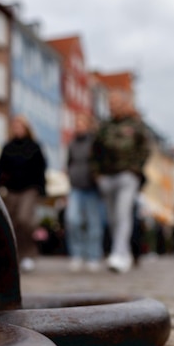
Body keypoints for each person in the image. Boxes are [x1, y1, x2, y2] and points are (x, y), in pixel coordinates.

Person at [91, 98, 151, 274]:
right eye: (111, 105)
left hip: (127, 174)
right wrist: (97, 175)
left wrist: (136, 169)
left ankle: (118, 255)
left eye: (117, 104)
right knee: (112, 218)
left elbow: (145, 149)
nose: (113, 107)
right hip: (107, 176)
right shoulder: (104, 127)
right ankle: (124, 253)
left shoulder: (136, 125)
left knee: (122, 213)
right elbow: (94, 152)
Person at [0, 114, 47, 273]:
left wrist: (42, 189)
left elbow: (41, 168)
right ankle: (16, 256)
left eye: (20, 126)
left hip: (29, 189)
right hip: (11, 189)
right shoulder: (7, 147)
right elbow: (0, 168)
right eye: (15, 126)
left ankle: (29, 254)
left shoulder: (34, 147)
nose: (17, 129)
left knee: (24, 219)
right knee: (13, 223)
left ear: (26, 128)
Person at [65, 115, 104, 272]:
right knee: (72, 220)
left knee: (93, 223)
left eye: (82, 123)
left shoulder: (95, 143)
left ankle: (93, 255)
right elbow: (69, 163)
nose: (79, 126)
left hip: (92, 188)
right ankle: (77, 254)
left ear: (88, 126)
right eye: (77, 123)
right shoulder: (73, 144)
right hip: (76, 187)